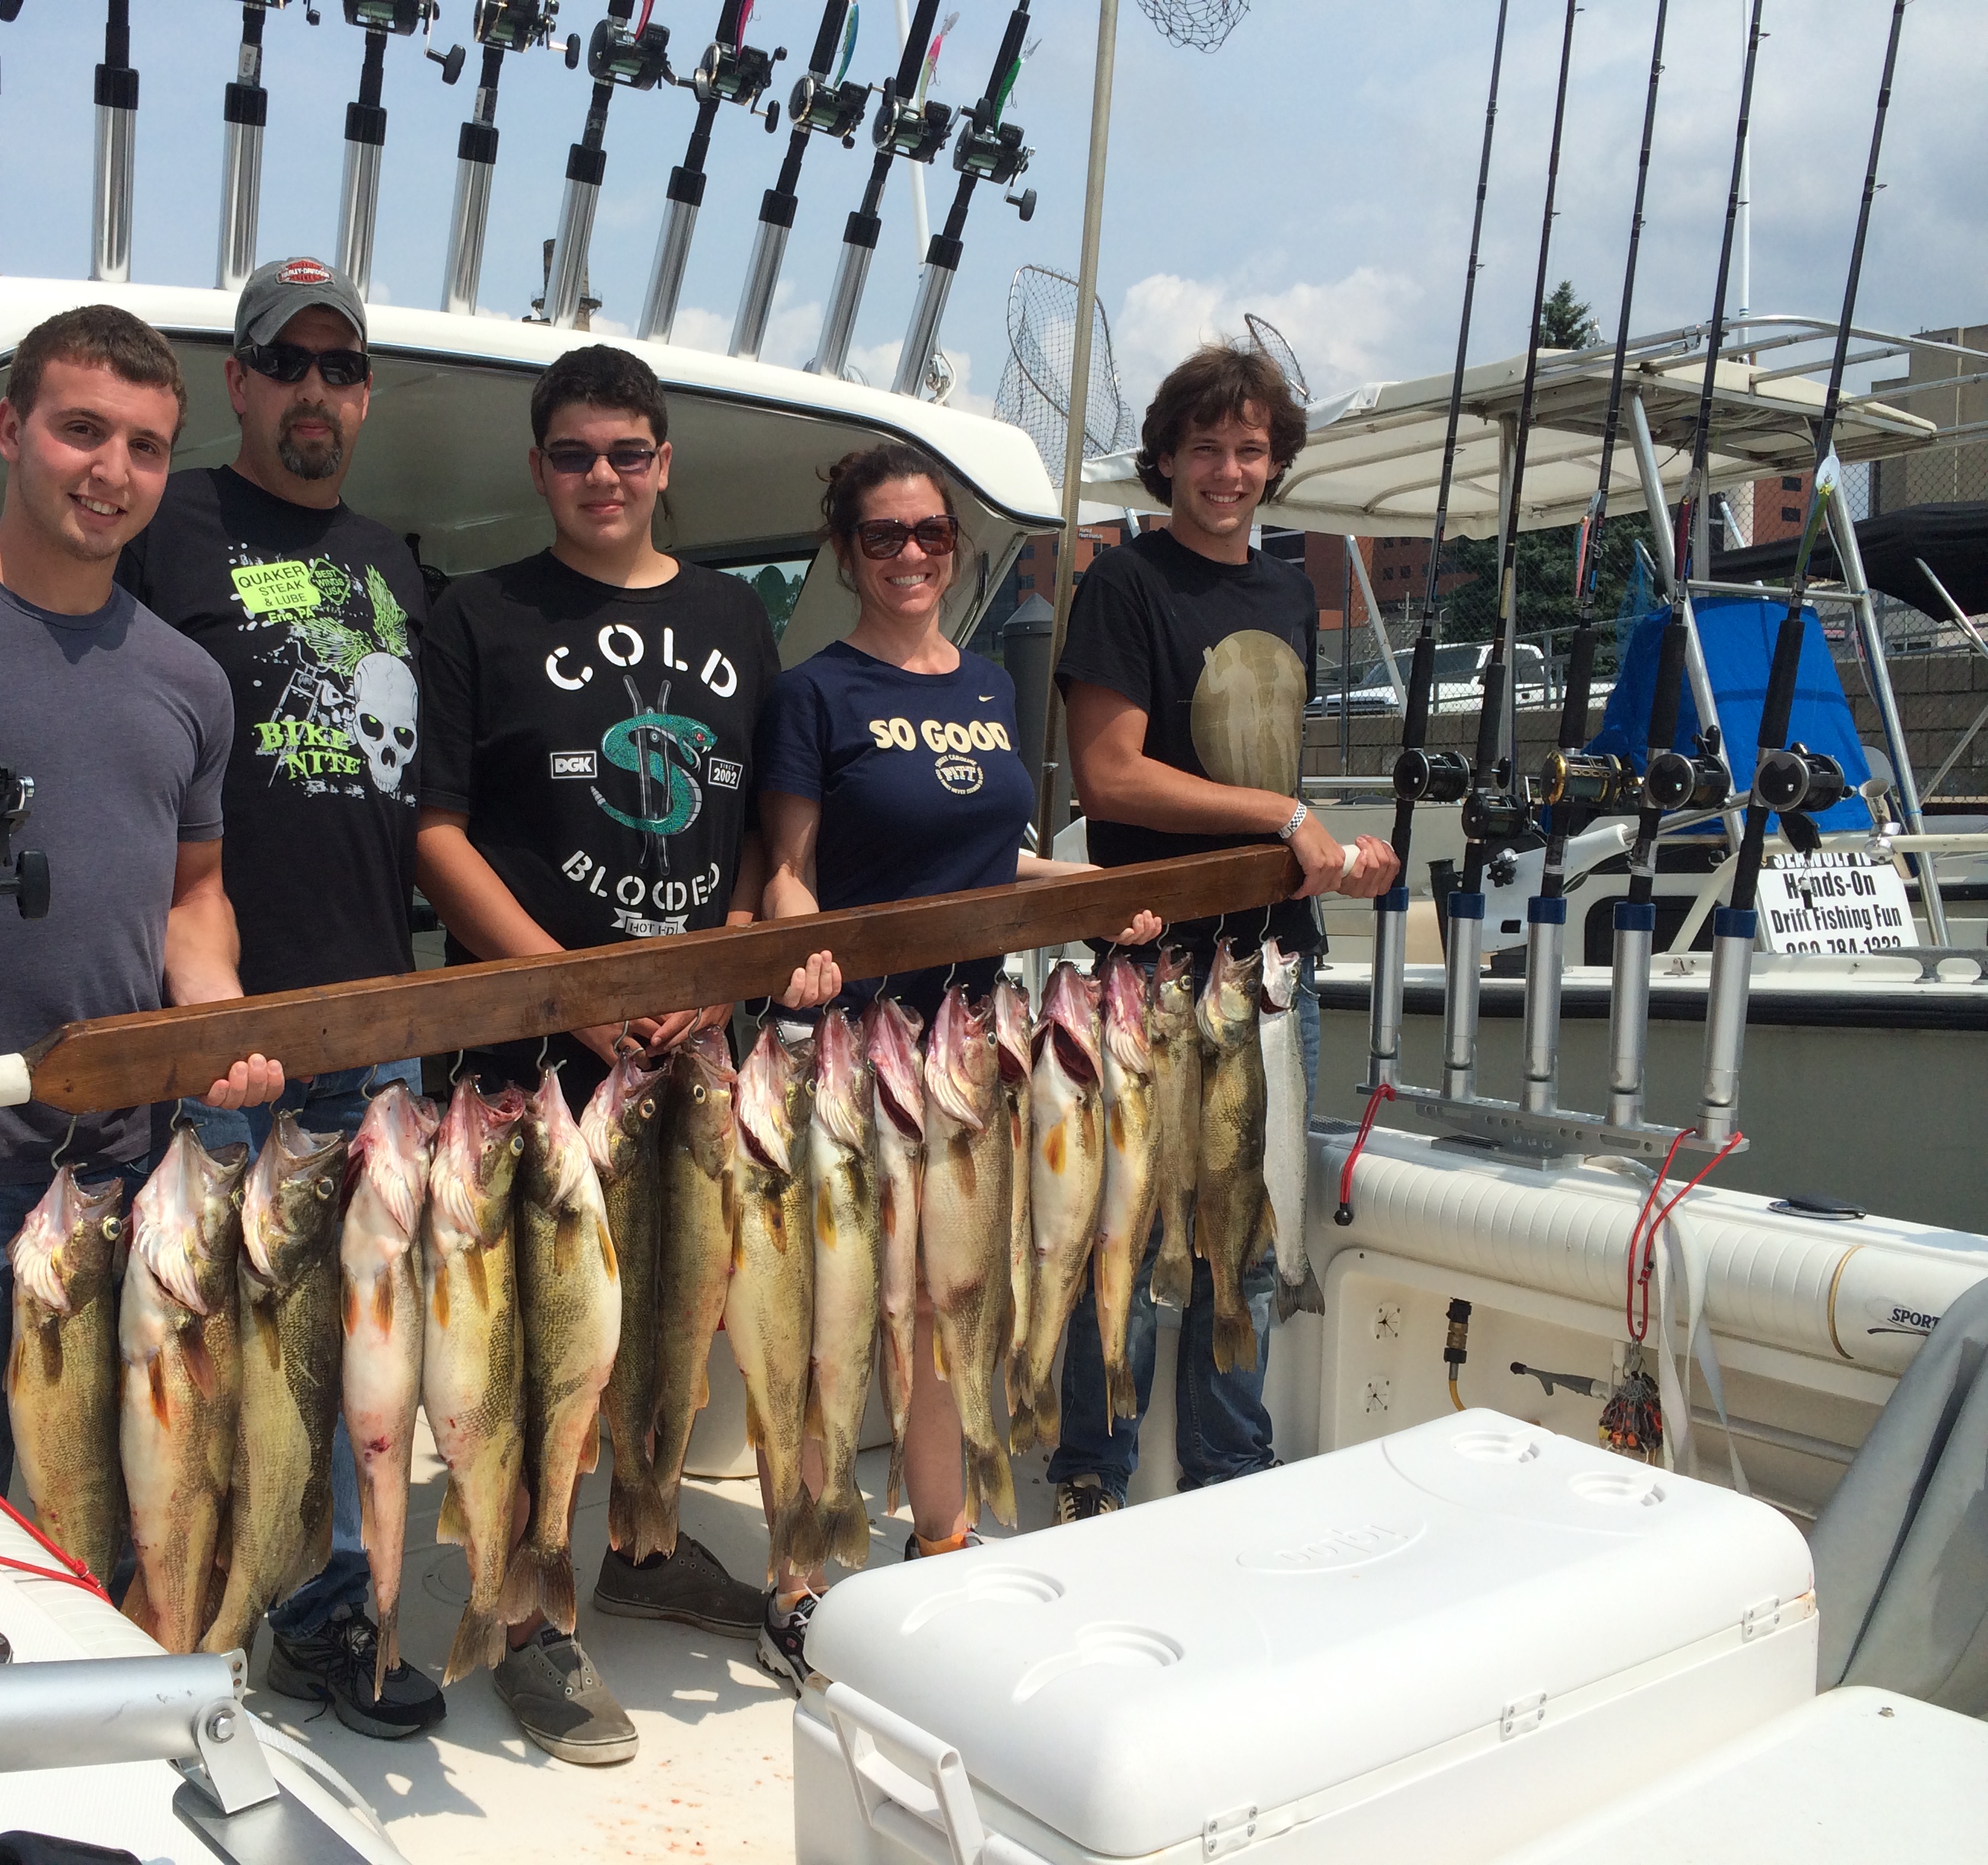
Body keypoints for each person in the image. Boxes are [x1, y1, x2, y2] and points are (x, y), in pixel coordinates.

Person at [415, 343, 833, 1767]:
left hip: (687, 1051)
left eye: (630, 454)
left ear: (666, 466)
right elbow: (437, 832)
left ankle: (648, 1549)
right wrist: (556, 989)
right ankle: (530, 1618)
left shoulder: (736, 614)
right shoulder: (476, 616)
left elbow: (754, 830)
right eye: (578, 454)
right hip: (531, 1064)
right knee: (544, 1363)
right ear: (541, 468)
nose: (605, 477)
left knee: (680, 1322)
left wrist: (717, 967)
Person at [753, 443, 1165, 1691]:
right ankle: (801, 1581)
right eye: (885, 536)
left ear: (960, 549)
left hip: (970, 1054)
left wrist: (1083, 893)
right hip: (849, 1066)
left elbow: (996, 863)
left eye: (934, 534)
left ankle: (942, 1536)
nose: (914, 555)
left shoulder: (990, 688)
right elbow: (786, 872)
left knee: (946, 1316)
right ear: (847, 553)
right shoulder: (814, 693)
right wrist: (797, 945)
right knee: (829, 1326)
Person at [115, 258, 443, 1739]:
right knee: (203, 1359)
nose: (317, 393)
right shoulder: (165, 525)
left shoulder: (396, 557)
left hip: (375, 1029)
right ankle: (175, 1633)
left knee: (343, 1356)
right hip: (220, 1032)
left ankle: (321, 1623)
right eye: (287, 365)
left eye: (342, 368)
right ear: (237, 383)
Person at [0, 305, 282, 1509]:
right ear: (11, 429)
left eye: (148, 446)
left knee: (114, 1508)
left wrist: (215, 1018)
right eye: (80, 431)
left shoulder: (189, 679)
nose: (112, 473)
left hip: (128, 1176)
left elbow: (194, 897)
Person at [1047, 342, 1398, 1516]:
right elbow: (1112, 779)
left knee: (1243, 1235)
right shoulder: (1124, 587)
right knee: (1131, 1241)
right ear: (1165, 459)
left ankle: (1229, 1476)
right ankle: (1090, 1479)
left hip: (1273, 972)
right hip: (1151, 975)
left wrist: (1335, 861)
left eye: (1252, 449)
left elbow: (1257, 781)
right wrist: (1288, 814)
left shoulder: (1288, 588)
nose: (1230, 470)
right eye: (1207, 448)